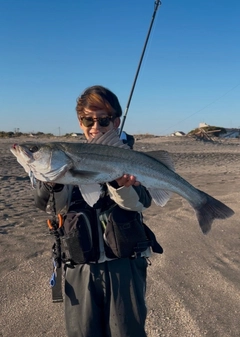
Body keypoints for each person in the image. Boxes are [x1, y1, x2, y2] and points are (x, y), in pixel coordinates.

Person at [34, 85, 156, 337]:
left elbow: (141, 203)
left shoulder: (132, 158)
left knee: (127, 332)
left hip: (125, 266)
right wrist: (53, 183)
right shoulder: (64, 158)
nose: (95, 126)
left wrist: (119, 186)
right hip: (79, 266)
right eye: (88, 119)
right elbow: (50, 206)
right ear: (80, 122)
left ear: (116, 121)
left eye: (103, 120)